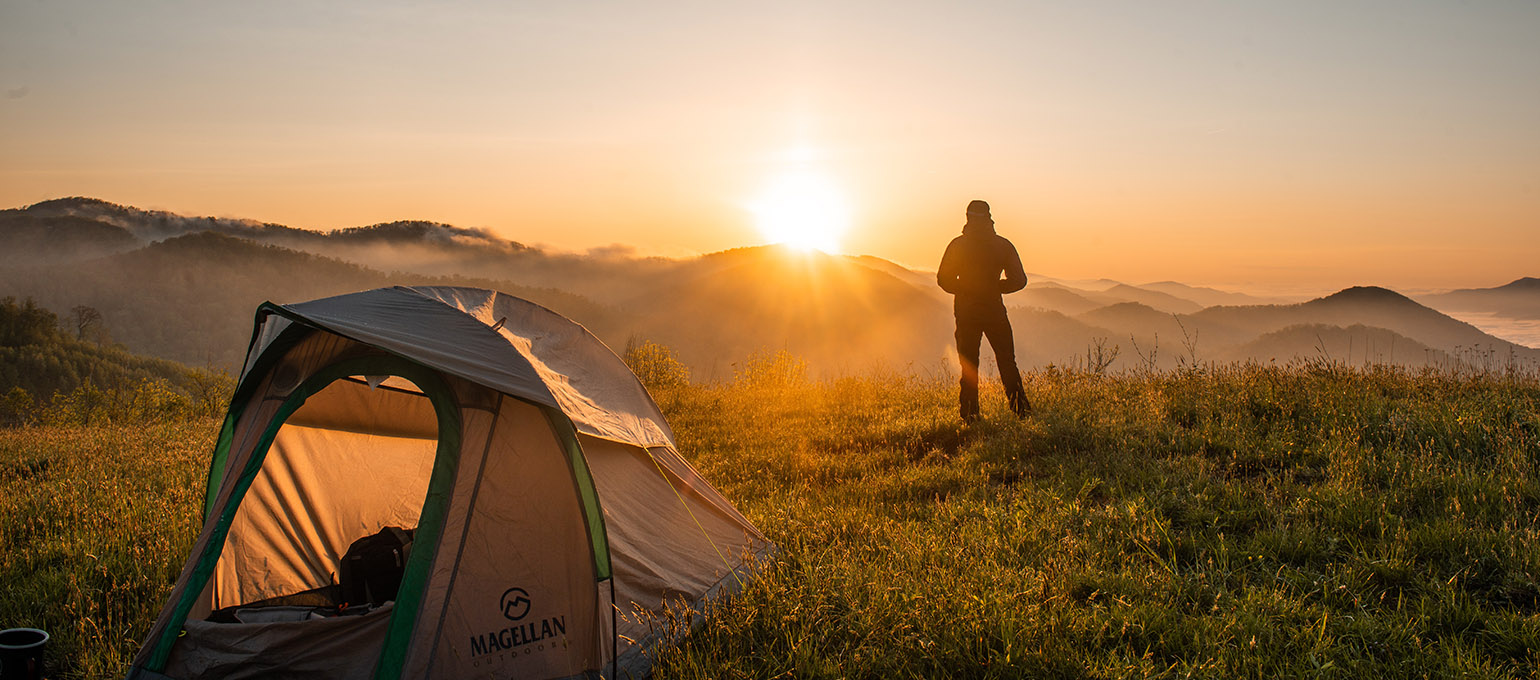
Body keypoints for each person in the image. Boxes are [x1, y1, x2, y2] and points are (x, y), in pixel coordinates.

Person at [936, 199, 1029, 421]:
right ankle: (1021, 412)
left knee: (969, 364)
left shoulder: (958, 245)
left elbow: (943, 279)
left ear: (967, 217)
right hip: (995, 310)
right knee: (1007, 361)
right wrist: (996, 287)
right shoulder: (1002, 245)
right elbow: (1019, 280)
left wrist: (965, 289)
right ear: (989, 217)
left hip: (966, 312)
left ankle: (970, 415)